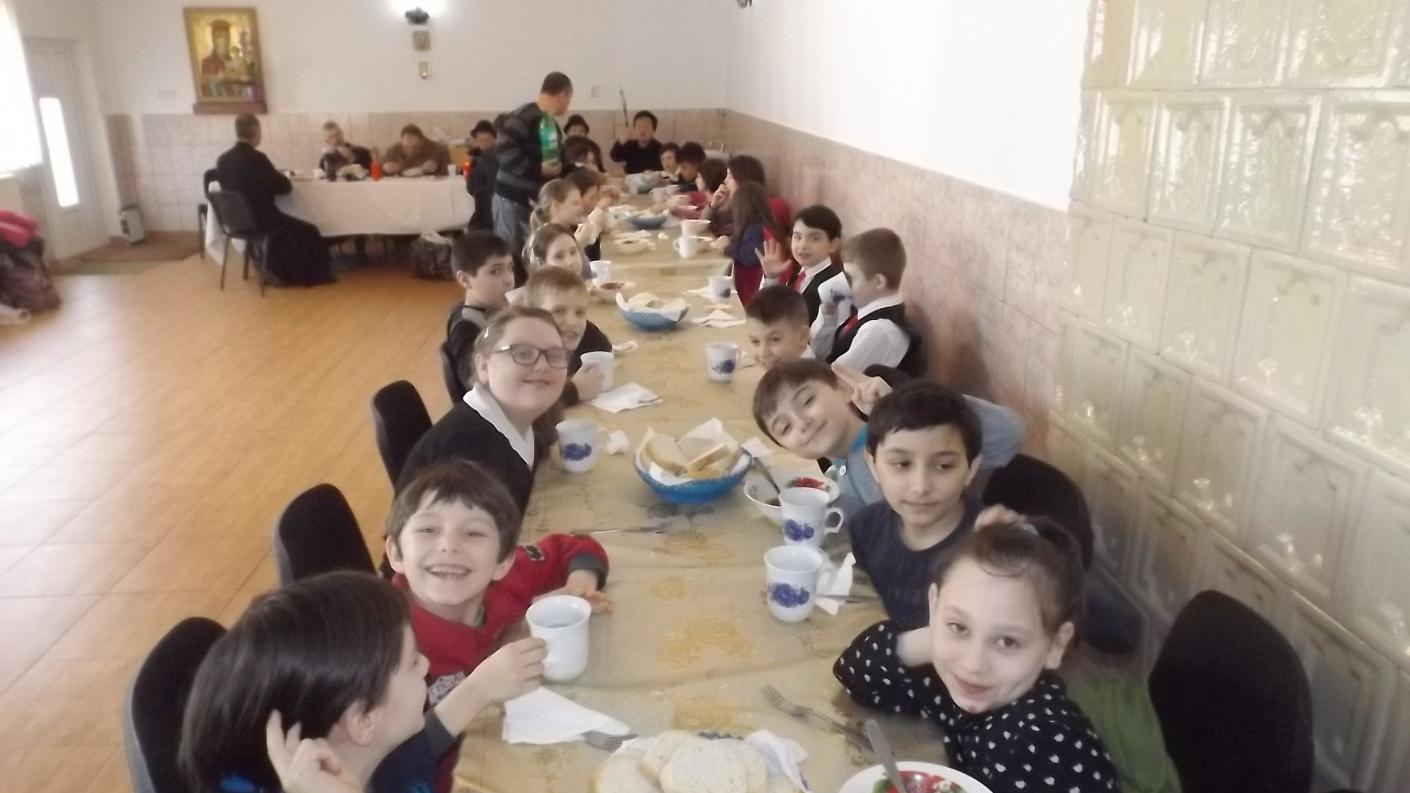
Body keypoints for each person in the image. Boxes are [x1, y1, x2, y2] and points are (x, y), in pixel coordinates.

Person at [179, 571, 545, 793]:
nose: (425, 664)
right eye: (411, 662)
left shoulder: (368, 757)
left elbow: (412, 755)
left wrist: (480, 688)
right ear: (362, 720)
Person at [833, 518, 1120, 793]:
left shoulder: (1043, 741)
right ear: (934, 604)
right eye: (960, 626)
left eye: (1008, 642)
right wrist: (938, 636)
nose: (973, 664)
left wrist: (950, 633)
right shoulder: (959, 680)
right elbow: (857, 673)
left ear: (1056, 645)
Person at [386, 460, 609, 792]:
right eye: (428, 530)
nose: (449, 545)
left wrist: (580, 583)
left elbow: (573, 546)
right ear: (395, 553)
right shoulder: (385, 644)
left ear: (503, 561)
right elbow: (386, 771)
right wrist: (478, 690)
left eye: (473, 533)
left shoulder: (509, 578)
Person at [752, 359, 1024, 517]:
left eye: (807, 401)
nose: (802, 423)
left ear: (844, 388)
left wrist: (906, 406)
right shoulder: (839, 477)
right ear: (784, 447)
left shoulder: (907, 438)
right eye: (784, 428)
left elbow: (1009, 432)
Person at [398, 306, 569, 511]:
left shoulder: (523, 420)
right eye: (523, 353)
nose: (543, 366)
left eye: (555, 355)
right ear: (483, 366)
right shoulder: (467, 453)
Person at [845, 382, 985, 628]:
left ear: (971, 469)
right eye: (901, 464)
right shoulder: (864, 529)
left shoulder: (989, 548)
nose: (921, 486)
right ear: (873, 464)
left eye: (944, 466)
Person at [215, 113, 334, 286]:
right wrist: (280, 176)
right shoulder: (257, 158)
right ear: (256, 132)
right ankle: (305, 276)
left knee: (289, 228)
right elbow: (284, 188)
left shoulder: (222, 160)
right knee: (310, 231)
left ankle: (273, 268)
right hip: (261, 219)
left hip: (235, 222)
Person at [813, 228, 925, 375]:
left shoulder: (880, 331)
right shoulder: (863, 307)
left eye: (851, 277)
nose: (845, 283)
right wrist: (829, 314)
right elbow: (822, 353)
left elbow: (833, 377)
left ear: (878, 282)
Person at [494, 72, 573, 261]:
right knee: (512, 256)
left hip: (531, 199)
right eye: (569, 99)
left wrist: (584, 172)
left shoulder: (550, 123)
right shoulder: (525, 116)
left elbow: (559, 161)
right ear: (562, 95)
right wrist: (537, 169)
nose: (568, 105)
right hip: (512, 198)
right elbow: (503, 149)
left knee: (532, 254)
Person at [523, 267, 612, 406]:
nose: (572, 322)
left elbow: (603, 350)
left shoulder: (589, 336)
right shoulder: (522, 353)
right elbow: (520, 401)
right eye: (558, 311)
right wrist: (574, 390)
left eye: (579, 313)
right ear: (533, 316)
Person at [444, 231, 516, 397]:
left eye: (510, 268)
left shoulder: (496, 310)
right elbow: (476, 383)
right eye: (496, 271)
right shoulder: (465, 325)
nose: (509, 279)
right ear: (465, 280)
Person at [757, 205, 844, 325]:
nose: (802, 245)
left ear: (833, 244)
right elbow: (771, 312)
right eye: (797, 237)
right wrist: (771, 278)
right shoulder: (800, 272)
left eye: (814, 238)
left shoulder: (835, 285)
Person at [725, 182, 785, 307]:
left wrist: (726, 248)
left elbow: (750, 256)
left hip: (752, 291)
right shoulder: (766, 226)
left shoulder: (755, 229)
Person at [704, 154, 790, 236]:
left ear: (742, 179)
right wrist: (713, 206)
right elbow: (705, 227)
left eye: (730, 177)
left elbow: (754, 239)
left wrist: (727, 242)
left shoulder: (770, 207)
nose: (725, 181)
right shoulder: (736, 205)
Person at [527, 180, 597, 279]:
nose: (581, 209)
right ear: (556, 205)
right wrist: (578, 245)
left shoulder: (567, 232)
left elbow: (587, 273)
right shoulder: (540, 239)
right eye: (575, 203)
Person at [744, 285, 813, 370]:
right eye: (755, 341)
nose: (763, 353)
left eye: (775, 339)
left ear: (802, 336)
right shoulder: (785, 370)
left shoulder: (809, 377)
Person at [466, 115, 507, 231]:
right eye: (480, 141)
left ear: (495, 138)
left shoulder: (486, 157)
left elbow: (471, 188)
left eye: (487, 140)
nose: (484, 144)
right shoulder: (474, 156)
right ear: (475, 141)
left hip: (489, 213)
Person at [565, 167, 612, 262]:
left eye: (597, 197)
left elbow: (607, 227)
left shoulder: (585, 217)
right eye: (592, 198)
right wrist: (596, 215)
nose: (596, 201)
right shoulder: (570, 225)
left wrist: (603, 211)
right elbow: (590, 253)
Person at [381, 124, 450, 176]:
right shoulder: (393, 150)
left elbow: (451, 172)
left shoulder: (438, 149)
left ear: (422, 141)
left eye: (415, 147)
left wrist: (438, 168)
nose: (411, 150)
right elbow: (378, 173)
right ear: (401, 142)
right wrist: (384, 169)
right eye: (407, 147)